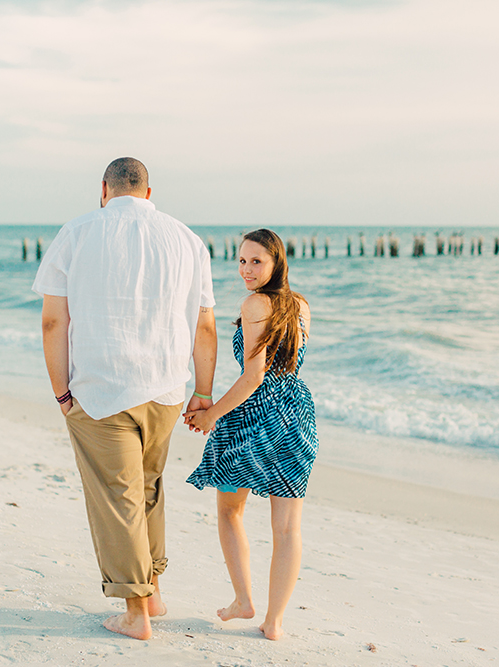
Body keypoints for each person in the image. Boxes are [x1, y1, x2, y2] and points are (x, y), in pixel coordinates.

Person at [33, 157, 218, 640]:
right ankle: (152, 590)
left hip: (100, 388)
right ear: (148, 193)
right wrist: (202, 391)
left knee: (118, 497)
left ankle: (135, 613)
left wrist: (61, 393)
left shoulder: (76, 233)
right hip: (165, 389)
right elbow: (204, 325)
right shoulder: (187, 240)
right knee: (148, 487)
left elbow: (55, 322)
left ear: (104, 189)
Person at [184, 228, 318, 641]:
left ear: (276, 262)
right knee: (288, 527)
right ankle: (274, 622)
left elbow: (255, 376)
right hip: (297, 413)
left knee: (230, 510)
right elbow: (283, 369)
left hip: (255, 417)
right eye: (241, 260)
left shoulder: (254, 303)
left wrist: (211, 415)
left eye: (256, 261)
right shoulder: (301, 306)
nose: (246, 269)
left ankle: (244, 599)